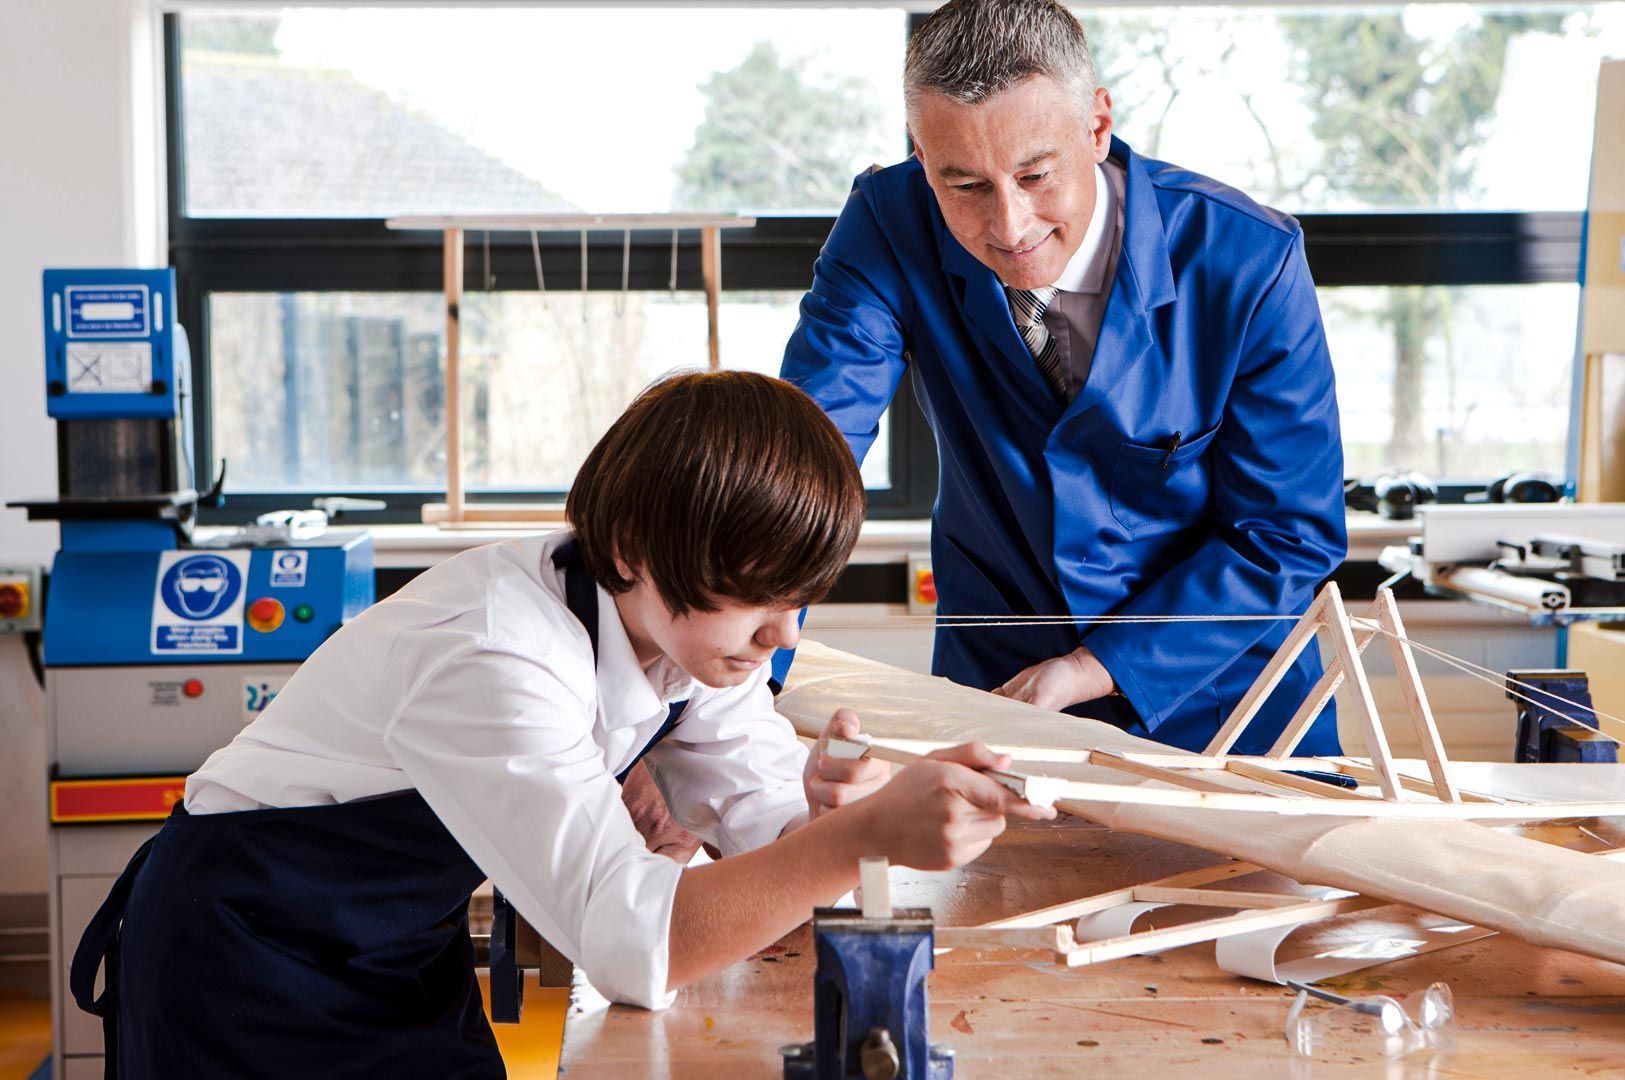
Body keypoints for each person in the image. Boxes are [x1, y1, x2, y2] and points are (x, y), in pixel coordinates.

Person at [72, 371, 1053, 1078]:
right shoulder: (495, 654)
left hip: (391, 947)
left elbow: (760, 819)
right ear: (630, 545)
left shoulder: (686, 626)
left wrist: (823, 813)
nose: (777, 637)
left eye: (803, 598)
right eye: (755, 598)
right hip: (244, 948)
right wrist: (860, 838)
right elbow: (636, 946)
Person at [780, 0, 1347, 755]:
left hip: (1227, 709)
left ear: (1097, 125)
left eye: (1034, 175)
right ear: (920, 155)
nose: (1009, 226)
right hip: (999, 701)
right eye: (965, 186)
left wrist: (1094, 667)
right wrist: (713, 696)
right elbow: (800, 461)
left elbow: (1287, 533)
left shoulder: (1248, 259)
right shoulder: (887, 223)